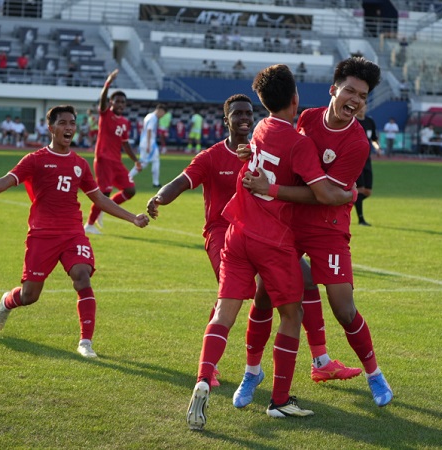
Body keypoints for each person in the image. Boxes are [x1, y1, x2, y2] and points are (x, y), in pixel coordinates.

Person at [186, 64, 355, 430]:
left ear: (262, 103)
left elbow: (254, 157)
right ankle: (279, 401)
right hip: (273, 239)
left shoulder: (260, 129)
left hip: (237, 232)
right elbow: (323, 193)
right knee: (292, 316)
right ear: (295, 99)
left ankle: (203, 378)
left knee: (224, 313)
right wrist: (349, 192)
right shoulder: (298, 142)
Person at [239, 57, 393, 409]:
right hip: (289, 225)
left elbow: (323, 197)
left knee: (344, 309)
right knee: (263, 295)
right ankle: (252, 372)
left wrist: (271, 189)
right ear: (333, 90)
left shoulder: (357, 143)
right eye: (349, 90)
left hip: (328, 228)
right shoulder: (306, 119)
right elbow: (286, 159)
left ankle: (374, 374)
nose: (355, 100)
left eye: (363, 96)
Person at [0, 104, 149, 358]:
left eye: (72, 123)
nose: (69, 128)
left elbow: (99, 198)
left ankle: (86, 343)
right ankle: (8, 301)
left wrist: (132, 218)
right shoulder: (35, 160)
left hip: (73, 233)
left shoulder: (80, 165)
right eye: (63, 123)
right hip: (42, 234)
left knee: (82, 275)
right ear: (51, 128)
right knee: (30, 295)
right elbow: (8, 180)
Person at [147, 94, 255, 387]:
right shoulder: (210, 157)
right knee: (230, 292)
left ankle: (319, 358)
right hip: (220, 233)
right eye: (238, 114)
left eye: (249, 112)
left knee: (294, 287)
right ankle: (210, 368)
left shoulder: (262, 153)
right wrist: (159, 197)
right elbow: (181, 181)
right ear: (226, 120)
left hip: (257, 232)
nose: (245, 118)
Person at [84, 69, 141, 235]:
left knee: (130, 190)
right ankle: (89, 224)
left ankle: (103, 209)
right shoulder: (105, 114)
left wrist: (135, 160)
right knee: (104, 193)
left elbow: (126, 144)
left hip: (116, 161)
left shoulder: (124, 122)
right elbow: (102, 101)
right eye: (117, 101)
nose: (121, 104)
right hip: (103, 159)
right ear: (111, 103)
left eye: (123, 102)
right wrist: (108, 82)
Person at [129, 104, 166, 188]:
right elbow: (149, 130)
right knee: (151, 161)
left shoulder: (148, 116)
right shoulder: (153, 118)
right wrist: (149, 145)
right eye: (163, 113)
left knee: (146, 162)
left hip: (144, 141)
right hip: (149, 142)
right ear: (160, 110)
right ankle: (155, 182)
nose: (162, 116)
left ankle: (129, 177)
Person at [355, 104, 380, 226]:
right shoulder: (352, 122)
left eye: (363, 106)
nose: (361, 108)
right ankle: (361, 220)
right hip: (356, 160)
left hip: (367, 160)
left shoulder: (370, 121)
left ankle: (349, 202)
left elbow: (374, 139)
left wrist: (378, 148)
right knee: (360, 189)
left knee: (367, 191)